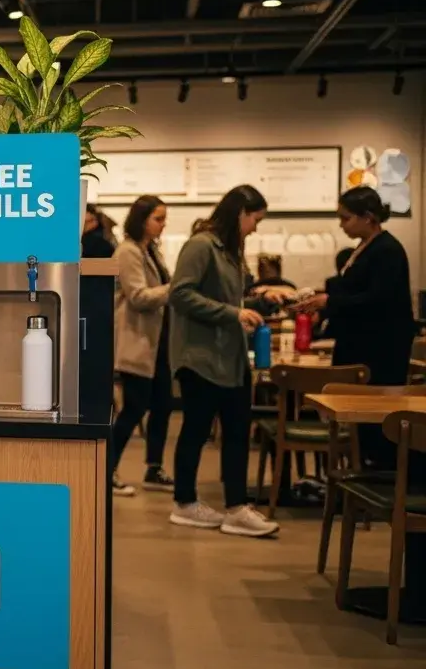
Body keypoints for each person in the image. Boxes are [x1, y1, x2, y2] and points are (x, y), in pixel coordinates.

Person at [166, 185, 283, 537]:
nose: (256, 228)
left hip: (229, 358)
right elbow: (180, 293)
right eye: (255, 220)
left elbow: (229, 298)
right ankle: (184, 503)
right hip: (200, 358)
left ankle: (237, 507)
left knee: (236, 431)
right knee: (196, 430)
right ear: (240, 213)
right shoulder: (202, 245)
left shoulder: (232, 250)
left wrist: (261, 299)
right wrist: (232, 313)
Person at [294, 186, 414, 466]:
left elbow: (376, 298)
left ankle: (378, 472)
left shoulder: (387, 250)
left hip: (379, 348)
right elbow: (350, 287)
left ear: (368, 217)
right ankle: (362, 467)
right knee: (358, 420)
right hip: (361, 342)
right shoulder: (365, 247)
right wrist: (320, 296)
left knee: (374, 419)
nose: (341, 224)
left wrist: (329, 300)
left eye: (346, 218)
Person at [110, 195, 175, 496]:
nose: (163, 224)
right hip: (137, 341)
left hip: (159, 341)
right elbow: (138, 296)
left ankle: (154, 467)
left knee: (162, 406)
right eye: (158, 218)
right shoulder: (128, 251)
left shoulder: (151, 251)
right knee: (134, 409)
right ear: (142, 219)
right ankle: (107, 469)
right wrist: (176, 288)